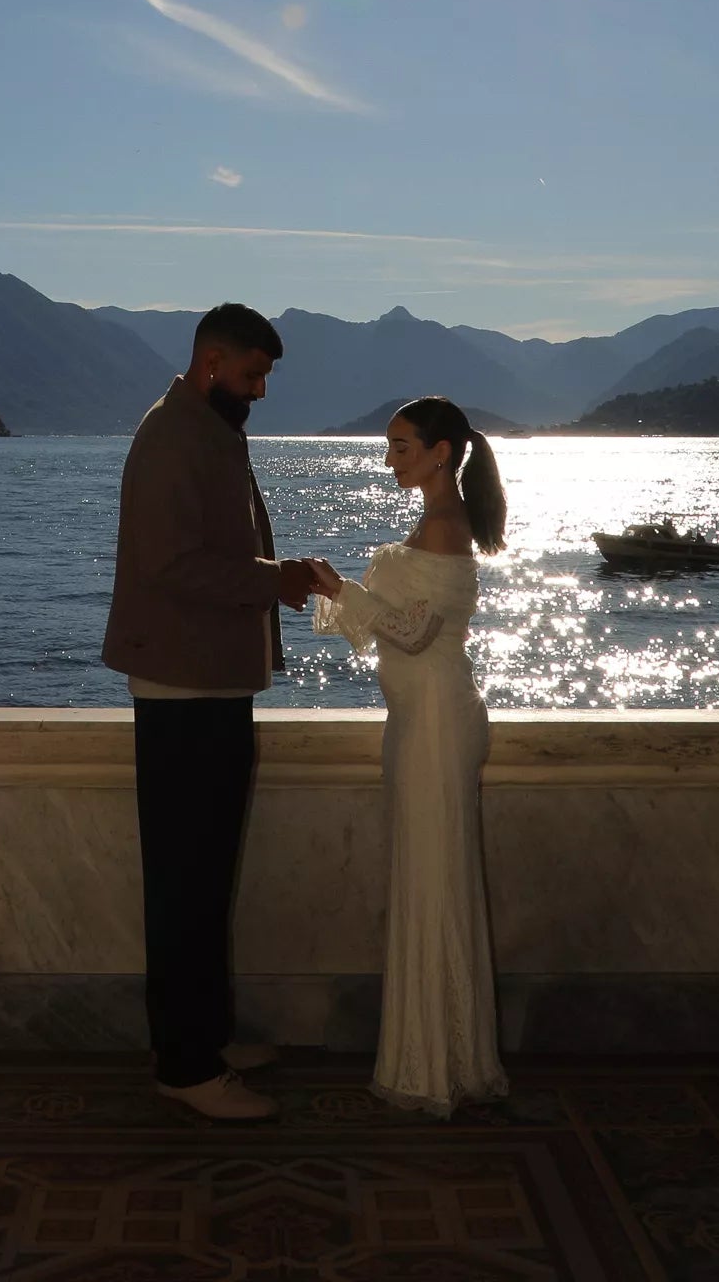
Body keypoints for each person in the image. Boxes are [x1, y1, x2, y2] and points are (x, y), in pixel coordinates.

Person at [102, 302, 321, 1121]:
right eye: (252, 374)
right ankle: (186, 1066)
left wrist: (275, 577)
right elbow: (172, 569)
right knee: (185, 881)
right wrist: (277, 579)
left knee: (203, 874)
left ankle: (206, 1037)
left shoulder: (205, 428)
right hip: (182, 692)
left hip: (211, 684)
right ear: (211, 362)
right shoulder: (172, 437)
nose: (260, 391)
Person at [310, 396, 508, 1117]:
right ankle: (446, 1057)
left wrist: (339, 588)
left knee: (431, 883)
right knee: (430, 879)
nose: (390, 459)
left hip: (432, 724)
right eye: (389, 447)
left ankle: (433, 1069)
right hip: (424, 717)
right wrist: (349, 594)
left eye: (400, 447)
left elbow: (413, 633)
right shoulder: (439, 523)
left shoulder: (443, 525)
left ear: (440, 451)